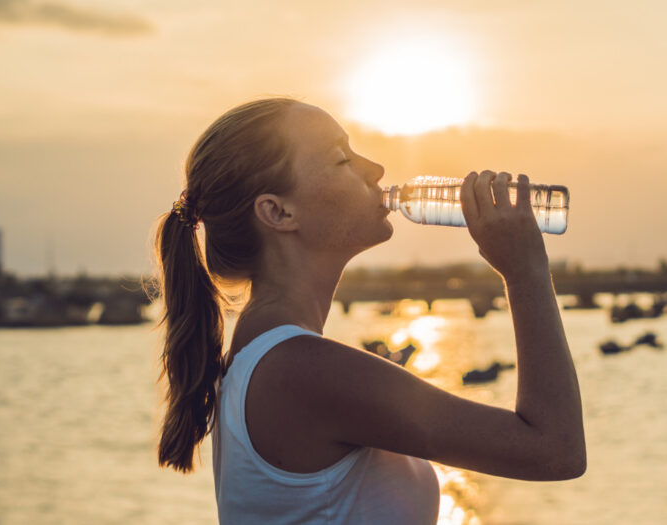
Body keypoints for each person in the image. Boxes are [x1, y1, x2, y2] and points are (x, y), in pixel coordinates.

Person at [150, 97, 586, 524]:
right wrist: (525, 269)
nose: (375, 170)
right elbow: (554, 448)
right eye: (342, 159)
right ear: (278, 212)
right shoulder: (300, 370)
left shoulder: (265, 357)